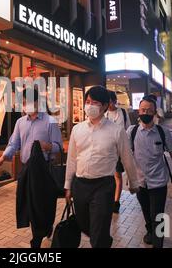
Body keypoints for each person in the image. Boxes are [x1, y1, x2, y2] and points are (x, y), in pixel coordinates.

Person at [65, 86, 140, 248]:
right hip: (80, 185)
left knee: (98, 231)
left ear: (105, 105)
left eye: (95, 102)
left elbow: (127, 158)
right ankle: (103, 240)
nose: (89, 106)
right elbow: (71, 160)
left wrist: (134, 183)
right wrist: (68, 185)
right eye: (87, 102)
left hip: (103, 187)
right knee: (84, 224)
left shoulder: (116, 131)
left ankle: (100, 241)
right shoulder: (77, 129)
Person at [0, 87, 63, 248]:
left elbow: (59, 147)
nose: (26, 105)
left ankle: (41, 233)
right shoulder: (20, 122)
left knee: (43, 205)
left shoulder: (50, 121)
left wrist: (48, 146)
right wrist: (3, 157)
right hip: (26, 170)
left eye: (29, 102)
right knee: (28, 204)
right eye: (24, 102)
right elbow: (14, 143)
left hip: (44, 171)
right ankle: (38, 234)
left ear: (38, 102)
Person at [127, 96, 172, 248]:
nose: (145, 112)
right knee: (146, 212)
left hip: (159, 181)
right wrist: (129, 179)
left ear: (154, 113)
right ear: (138, 111)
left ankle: (159, 242)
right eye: (142, 110)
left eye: (149, 110)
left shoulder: (162, 131)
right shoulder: (131, 132)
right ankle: (150, 232)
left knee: (159, 215)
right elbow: (126, 155)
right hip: (140, 181)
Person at [105, 91, 131, 214]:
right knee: (107, 176)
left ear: (115, 100)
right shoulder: (104, 114)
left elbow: (128, 130)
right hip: (106, 150)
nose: (110, 104)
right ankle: (108, 199)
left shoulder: (123, 113)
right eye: (108, 102)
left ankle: (116, 201)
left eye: (111, 101)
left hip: (119, 150)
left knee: (117, 176)